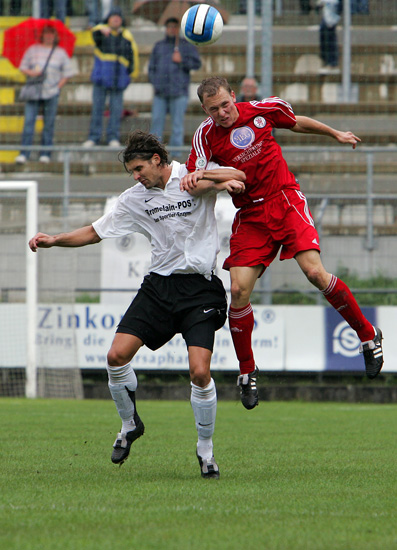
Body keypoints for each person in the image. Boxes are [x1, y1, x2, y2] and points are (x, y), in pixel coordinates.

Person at [29, 129, 246, 478]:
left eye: (140, 168)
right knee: (116, 356)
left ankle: (205, 450)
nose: (136, 176)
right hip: (159, 288)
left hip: (200, 290)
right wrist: (55, 239)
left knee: (199, 371)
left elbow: (235, 175)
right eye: (132, 171)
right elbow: (95, 231)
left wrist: (224, 183)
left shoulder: (191, 175)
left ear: (158, 161)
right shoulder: (134, 198)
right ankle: (130, 424)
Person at [182, 76, 384, 409]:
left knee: (316, 274)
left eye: (225, 105)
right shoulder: (204, 136)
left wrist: (335, 133)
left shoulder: (263, 109)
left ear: (234, 96)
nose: (222, 113)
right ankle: (247, 371)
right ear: (204, 110)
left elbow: (296, 122)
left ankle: (367, 335)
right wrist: (213, 183)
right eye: (213, 109)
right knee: (237, 291)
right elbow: (196, 179)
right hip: (250, 216)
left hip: (285, 201)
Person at [15, 25, 75, 165]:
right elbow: (23, 67)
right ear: (42, 35)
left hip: (51, 92)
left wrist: (57, 87)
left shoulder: (60, 53)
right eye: (46, 34)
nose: (49, 36)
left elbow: (67, 73)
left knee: (49, 124)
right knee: (29, 122)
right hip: (34, 92)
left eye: (51, 34)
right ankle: (24, 153)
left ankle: (46, 153)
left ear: (55, 36)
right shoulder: (32, 50)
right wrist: (32, 73)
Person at [83, 7, 139, 148]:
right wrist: (102, 30)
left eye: (118, 17)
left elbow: (133, 57)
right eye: (113, 16)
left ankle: (113, 137)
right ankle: (93, 137)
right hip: (101, 78)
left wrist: (130, 75)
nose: (116, 19)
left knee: (115, 111)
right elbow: (94, 34)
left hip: (118, 80)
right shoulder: (101, 31)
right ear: (108, 19)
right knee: (97, 109)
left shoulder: (126, 36)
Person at [148, 17, 201, 159]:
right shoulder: (159, 46)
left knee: (177, 125)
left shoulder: (186, 45)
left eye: (174, 27)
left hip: (179, 92)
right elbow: (151, 68)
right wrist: (156, 83)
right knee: (156, 123)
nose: (172, 29)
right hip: (160, 92)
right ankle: (155, 152)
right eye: (169, 26)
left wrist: (182, 60)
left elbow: (196, 64)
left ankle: (176, 155)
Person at [317, 0, 340, 74]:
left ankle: (332, 64)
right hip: (328, 8)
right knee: (324, 32)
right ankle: (328, 63)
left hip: (332, 8)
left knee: (329, 36)